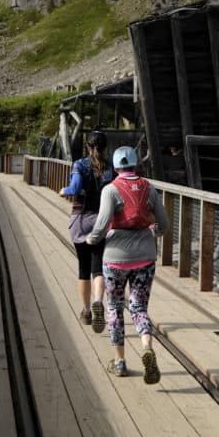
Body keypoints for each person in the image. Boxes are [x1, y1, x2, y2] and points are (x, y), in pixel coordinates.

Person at [87, 145, 169, 383]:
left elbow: (102, 225)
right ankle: (146, 346)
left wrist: (91, 239)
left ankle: (120, 362)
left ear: (115, 167)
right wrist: (150, 231)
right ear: (136, 165)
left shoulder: (110, 190)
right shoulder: (149, 188)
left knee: (113, 307)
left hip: (115, 258)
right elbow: (163, 225)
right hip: (145, 256)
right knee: (139, 308)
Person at [58, 130, 115, 331]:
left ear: (88, 147)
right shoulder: (111, 167)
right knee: (98, 266)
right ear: (105, 147)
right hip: (102, 221)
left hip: (81, 219)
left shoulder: (80, 165)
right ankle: (99, 300)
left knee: (83, 268)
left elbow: (74, 188)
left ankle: (87, 311)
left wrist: (63, 191)